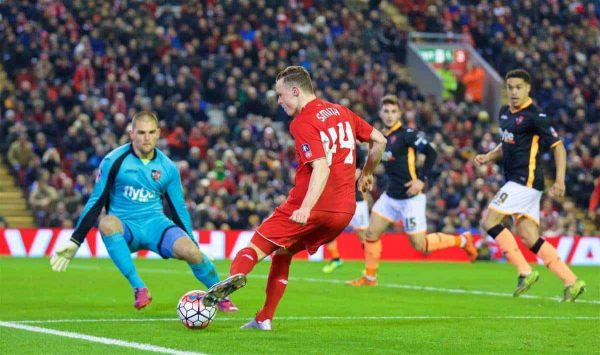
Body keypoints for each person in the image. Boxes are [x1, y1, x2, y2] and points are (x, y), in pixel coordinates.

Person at [202, 66, 387, 330]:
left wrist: (306, 208)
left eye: (280, 95)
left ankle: (234, 277)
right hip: (344, 211)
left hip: (311, 206)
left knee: (254, 245)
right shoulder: (342, 112)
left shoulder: (302, 121)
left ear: (296, 91)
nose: (279, 102)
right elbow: (379, 140)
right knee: (283, 253)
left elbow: (321, 167)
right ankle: (263, 318)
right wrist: (367, 173)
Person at [49, 111, 238, 312]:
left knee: (192, 252)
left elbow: (178, 207)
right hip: (125, 225)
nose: (146, 138)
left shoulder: (168, 167)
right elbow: (97, 200)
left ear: (158, 133)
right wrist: (76, 240)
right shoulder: (113, 160)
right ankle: (139, 287)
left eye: (150, 132)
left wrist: (191, 240)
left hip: (156, 225)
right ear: (131, 134)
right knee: (106, 223)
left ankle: (220, 295)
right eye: (141, 132)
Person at [474, 69, 586, 302]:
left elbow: (558, 147)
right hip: (519, 183)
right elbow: (506, 143)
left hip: (524, 181)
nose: (513, 92)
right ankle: (572, 282)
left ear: (528, 89)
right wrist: (488, 156)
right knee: (529, 237)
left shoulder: (536, 116)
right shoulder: (505, 112)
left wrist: (561, 180)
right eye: (510, 87)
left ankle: (525, 272)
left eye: (518, 87)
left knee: (490, 221)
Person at [347, 94, 477, 287]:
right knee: (371, 234)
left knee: (420, 245)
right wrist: (368, 174)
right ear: (381, 113)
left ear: (399, 113)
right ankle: (370, 277)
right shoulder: (380, 138)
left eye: (393, 111)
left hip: (411, 197)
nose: (390, 115)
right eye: (386, 111)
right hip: (391, 196)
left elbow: (431, 153)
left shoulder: (407, 134)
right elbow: (375, 161)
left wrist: (421, 180)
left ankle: (463, 241)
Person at [322, 144, 370, 273]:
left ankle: (370, 265)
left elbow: (356, 174)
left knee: (362, 234)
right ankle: (336, 259)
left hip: (356, 199)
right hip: (337, 200)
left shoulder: (359, 152)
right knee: (327, 230)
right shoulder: (334, 149)